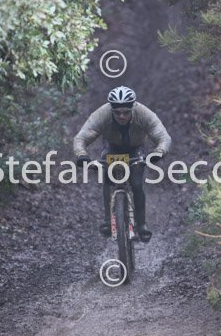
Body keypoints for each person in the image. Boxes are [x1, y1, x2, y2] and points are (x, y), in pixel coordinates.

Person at [73, 86, 172, 242]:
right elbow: (81, 138)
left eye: (126, 112)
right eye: (117, 112)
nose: (122, 116)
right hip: (112, 147)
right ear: (111, 109)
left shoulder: (143, 113)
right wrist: (82, 155)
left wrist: (158, 152)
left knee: (136, 184)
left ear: (133, 107)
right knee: (108, 179)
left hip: (135, 149)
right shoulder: (102, 114)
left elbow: (163, 137)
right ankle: (108, 220)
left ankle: (142, 225)